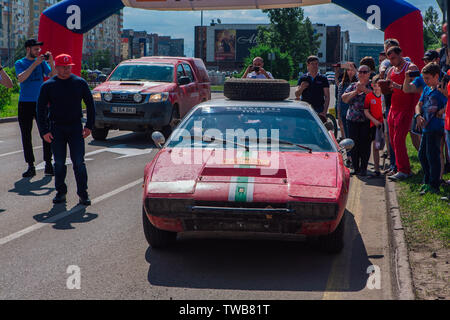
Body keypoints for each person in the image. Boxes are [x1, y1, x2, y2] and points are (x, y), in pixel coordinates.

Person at [36, 54, 95, 205]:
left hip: (75, 127)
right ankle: (60, 192)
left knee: (79, 162)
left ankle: (83, 193)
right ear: (56, 67)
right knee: (59, 163)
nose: (66, 70)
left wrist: (89, 126)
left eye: (69, 67)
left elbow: (90, 105)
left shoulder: (79, 83)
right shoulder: (48, 85)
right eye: (63, 67)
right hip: (56, 128)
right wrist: (44, 131)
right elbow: (40, 109)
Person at [15, 39, 56, 178]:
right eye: (35, 49)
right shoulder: (20, 63)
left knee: (46, 133)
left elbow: (53, 76)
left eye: (39, 49)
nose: (38, 51)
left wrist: (51, 62)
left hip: (41, 103)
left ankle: (48, 164)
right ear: (28, 49)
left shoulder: (42, 63)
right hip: (25, 103)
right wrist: (34, 64)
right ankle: (30, 166)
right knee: (26, 135)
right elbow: (21, 79)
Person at [385, 46, 420, 182]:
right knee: (393, 140)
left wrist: (397, 86)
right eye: (390, 59)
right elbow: (389, 87)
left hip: (406, 109)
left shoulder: (411, 68)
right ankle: (400, 167)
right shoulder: (391, 70)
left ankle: (404, 170)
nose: (392, 61)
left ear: (401, 54)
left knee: (398, 140)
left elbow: (417, 88)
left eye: (393, 58)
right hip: (394, 107)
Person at [414, 63, 447, 195]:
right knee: (422, 155)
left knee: (432, 156)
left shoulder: (441, 90)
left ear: (436, 76)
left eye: (427, 78)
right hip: (426, 128)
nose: (425, 81)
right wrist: (417, 115)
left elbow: (448, 102)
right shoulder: (427, 89)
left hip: (436, 127)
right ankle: (427, 180)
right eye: (424, 78)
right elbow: (419, 104)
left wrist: (442, 110)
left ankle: (434, 184)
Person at [341, 64, 373, 176]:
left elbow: (377, 97)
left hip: (367, 120)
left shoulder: (373, 85)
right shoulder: (353, 85)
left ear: (369, 73)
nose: (362, 74)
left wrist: (364, 89)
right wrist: (356, 92)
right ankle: (356, 167)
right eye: (360, 72)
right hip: (352, 119)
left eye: (365, 72)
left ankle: (363, 168)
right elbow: (344, 98)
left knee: (365, 144)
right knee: (353, 144)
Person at [364, 75, 384, 177]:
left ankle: (392, 165)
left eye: (379, 85)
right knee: (376, 146)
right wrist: (375, 121)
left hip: (385, 124)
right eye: (375, 85)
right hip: (375, 125)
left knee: (385, 145)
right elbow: (366, 111)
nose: (377, 88)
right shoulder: (369, 97)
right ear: (372, 86)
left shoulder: (385, 96)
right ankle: (376, 169)